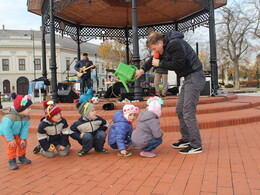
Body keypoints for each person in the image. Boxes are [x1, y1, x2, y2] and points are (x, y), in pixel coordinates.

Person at [135, 31, 205, 154]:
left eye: (154, 48)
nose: (154, 51)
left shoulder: (175, 44)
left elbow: (179, 64)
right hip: (188, 78)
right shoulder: (164, 48)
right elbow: (152, 60)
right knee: (180, 110)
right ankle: (186, 139)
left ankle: (196, 145)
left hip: (195, 76)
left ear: (160, 42)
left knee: (188, 111)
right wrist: (141, 70)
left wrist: (160, 64)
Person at [0, 93, 33, 170]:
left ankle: (21, 157)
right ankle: (12, 160)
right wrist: (10, 139)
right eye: (27, 108)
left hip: (17, 132)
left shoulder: (26, 117)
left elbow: (25, 128)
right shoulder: (9, 117)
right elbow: (6, 129)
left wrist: (22, 138)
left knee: (23, 143)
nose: (30, 110)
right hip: (7, 134)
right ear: (20, 109)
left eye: (30, 107)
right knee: (12, 145)